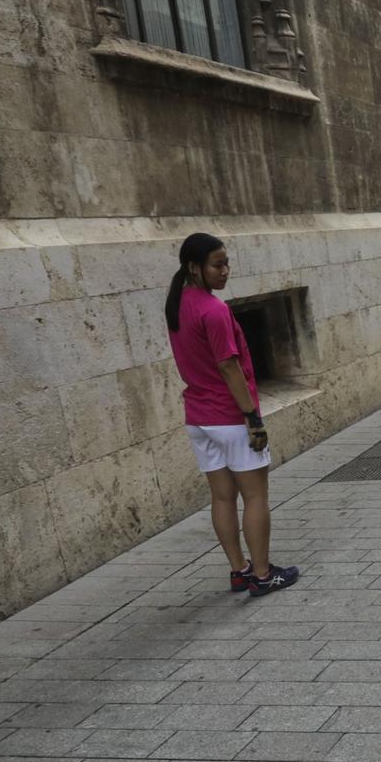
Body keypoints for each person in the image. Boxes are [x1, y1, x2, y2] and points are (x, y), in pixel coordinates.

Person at [164, 233, 299, 597]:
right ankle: (262, 573)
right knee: (255, 497)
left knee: (222, 498)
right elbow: (228, 365)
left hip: (199, 418)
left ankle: (238, 570)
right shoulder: (213, 310)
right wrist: (252, 417)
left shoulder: (179, 303)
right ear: (195, 267)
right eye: (217, 264)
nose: (226, 271)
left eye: (226, 263)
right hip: (228, 418)